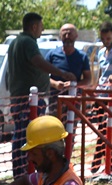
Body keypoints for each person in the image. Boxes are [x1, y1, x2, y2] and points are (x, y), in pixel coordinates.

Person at [6, 13, 75, 175]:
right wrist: (62, 73)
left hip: (20, 96)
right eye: (41, 26)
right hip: (29, 100)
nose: (42, 30)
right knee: (29, 137)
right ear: (34, 26)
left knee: (21, 134)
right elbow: (38, 61)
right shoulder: (28, 42)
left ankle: (20, 171)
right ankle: (25, 172)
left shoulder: (16, 42)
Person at [91, 22, 112, 175]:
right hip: (101, 94)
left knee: (106, 127)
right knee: (103, 129)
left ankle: (97, 161)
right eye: (104, 38)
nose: (106, 41)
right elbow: (100, 73)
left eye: (109, 38)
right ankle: (108, 165)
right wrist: (94, 89)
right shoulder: (100, 52)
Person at [47, 23, 91, 104]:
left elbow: (88, 79)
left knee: (74, 117)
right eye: (64, 34)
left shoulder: (82, 56)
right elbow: (43, 75)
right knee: (54, 117)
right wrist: (55, 84)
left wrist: (74, 85)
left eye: (70, 34)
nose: (67, 37)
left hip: (74, 98)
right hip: (55, 99)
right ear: (60, 36)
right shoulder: (52, 54)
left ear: (76, 36)